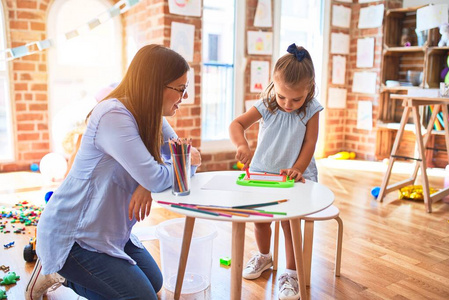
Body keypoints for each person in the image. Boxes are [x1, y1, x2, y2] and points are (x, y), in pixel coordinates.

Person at [25, 44, 201, 300]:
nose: (184, 98)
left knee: (154, 282)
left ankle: (65, 275)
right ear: (156, 85)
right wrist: (157, 176)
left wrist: (148, 182)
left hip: (110, 231)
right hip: (75, 236)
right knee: (142, 298)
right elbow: (174, 166)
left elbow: (175, 158)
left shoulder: (154, 118)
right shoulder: (113, 115)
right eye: (181, 89)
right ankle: (57, 272)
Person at [229, 43, 323, 300]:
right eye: (282, 97)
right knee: (261, 221)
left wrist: (298, 168)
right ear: (274, 85)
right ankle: (264, 257)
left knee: (289, 224)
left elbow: (310, 143)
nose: (288, 104)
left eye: (296, 99)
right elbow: (237, 124)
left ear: (309, 88)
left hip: (295, 176)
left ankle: (290, 273)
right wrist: (241, 143)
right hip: (262, 173)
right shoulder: (267, 105)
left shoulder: (312, 109)